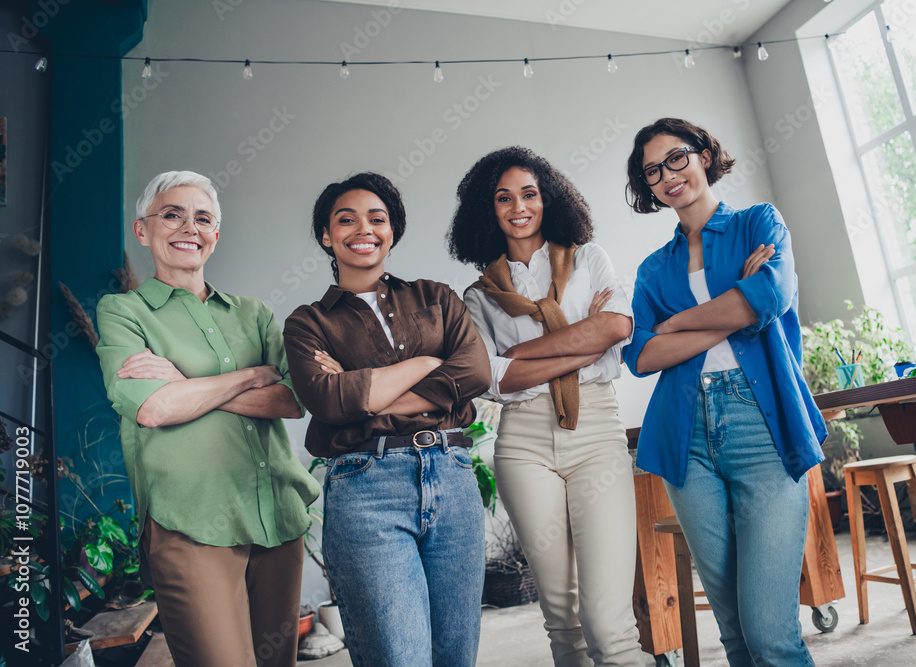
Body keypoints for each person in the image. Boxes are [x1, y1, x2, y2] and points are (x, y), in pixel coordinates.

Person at [622, 118, 827, 666]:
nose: (668, 175)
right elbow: (640, 355)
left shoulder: (759, 223)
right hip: (685, 435)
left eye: (677, 157)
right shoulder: (652, 269)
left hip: (760, 424)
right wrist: (734, 310)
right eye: (652, 171)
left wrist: (675, 325)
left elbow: (769, 295)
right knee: (733, 633)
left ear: (706, 155)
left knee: (769, 635)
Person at [95, 171, 320, 667]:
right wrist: (252, 375)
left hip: (275, 514)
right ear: (142, 230)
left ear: (215, 236)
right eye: (171, 214)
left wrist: (184, 382)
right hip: (188, 521)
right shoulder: (123, 312)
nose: (188, 228)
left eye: (203, 219)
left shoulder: (253, 313)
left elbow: (293, 399)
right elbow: (154, 408)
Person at [282, 172, 490, 667]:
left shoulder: (436, 297)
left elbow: (476, 371)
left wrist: (366, 391)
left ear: (392, 231)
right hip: (367, 486)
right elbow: (327, 402)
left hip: (453, 477)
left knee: (456, 654)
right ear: (326, 236)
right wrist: (426, 365)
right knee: (399, 656)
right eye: (346, 219)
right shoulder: (308, 322)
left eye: (378, 218)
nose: (364, 229)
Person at [448, 146, 644, 667]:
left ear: (548, 198)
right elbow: (488, 378)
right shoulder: (479, 296)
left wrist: (518, 355)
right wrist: (583, 341)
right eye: (503, 197)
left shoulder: (587, 257)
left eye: (529, 194)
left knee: (609, 622)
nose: (519, 207)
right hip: (522, 446)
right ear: (486, 209)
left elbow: (618, 326)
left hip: (597, 433)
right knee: (563, 620)